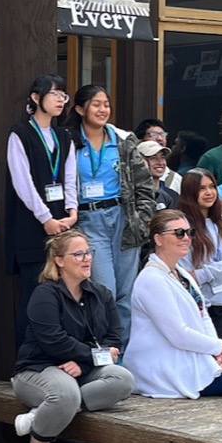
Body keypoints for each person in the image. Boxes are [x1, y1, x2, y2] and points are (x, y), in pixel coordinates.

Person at [10, 231, 134, 443]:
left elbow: (114, 341)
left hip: (80, 370)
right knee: (65, 393)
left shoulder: (101, 294)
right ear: (59, 261)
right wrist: (90, 357)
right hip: (37, 369)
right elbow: (54, 342)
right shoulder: (45, 294)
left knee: (122, 379)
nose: (86, 258)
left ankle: (39, 415)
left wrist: (84, 363)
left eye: (88, 252)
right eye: (78, 254)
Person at [127, 210, 222, 399]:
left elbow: (203, 316)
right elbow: (178, 334)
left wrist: (216, 355)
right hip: (163, 365)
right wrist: (221, 348)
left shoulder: (182, 273)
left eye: (189, 232)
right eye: (179, 233)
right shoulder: (151, 279)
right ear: (158, 239)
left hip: (190, 355)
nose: (186, 238)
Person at [62, 84, 155, 332]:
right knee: (105, 290)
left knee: (126, 292)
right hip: (88, 219)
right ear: (81, 109)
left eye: (106, 104)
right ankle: (104, 348)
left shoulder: (123, 140)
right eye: (96, 104)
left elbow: (144, 185)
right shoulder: (68, 141)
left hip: (123, 219)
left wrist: (143, 220)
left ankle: (121, 355)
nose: (103, 109)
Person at [5, 74, 78, 346]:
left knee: (62, 294)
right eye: (54, 94)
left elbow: (70, 177)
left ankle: (56, 355)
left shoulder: (64, 136)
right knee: (33, 294)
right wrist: (45, 217)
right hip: (32, 226)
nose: (60, 99)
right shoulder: (20, 133)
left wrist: (72, 210)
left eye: (63, 95)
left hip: (64, 225)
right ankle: (26, 360)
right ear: (36, 98)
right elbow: (21, 181)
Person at [176, 170, 222, 341]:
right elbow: (183, 266)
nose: (209, 193)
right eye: (202, 188)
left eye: (212, 187)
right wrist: (196, 278)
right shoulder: (181, 227)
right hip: (195, 307)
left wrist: (202, 274)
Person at [138, 140, 180, 211]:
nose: (160, 162)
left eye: (162, 157)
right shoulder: (132, 195)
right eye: (153, 157)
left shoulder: (173, 195)